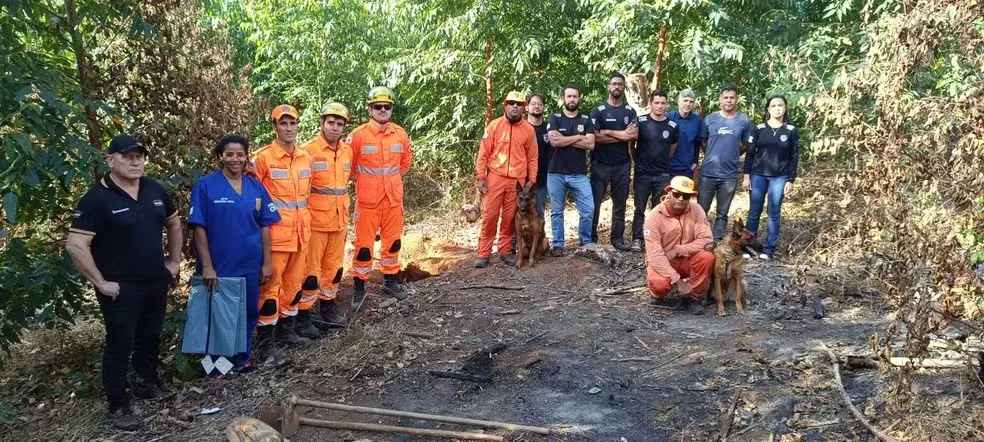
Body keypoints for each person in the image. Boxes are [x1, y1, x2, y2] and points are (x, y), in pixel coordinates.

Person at [65, 134, 182, 430]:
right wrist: (101, 282)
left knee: (151, 334)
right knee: (120, 342)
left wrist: (174, 260)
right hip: (119, 287)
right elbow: (76, 245)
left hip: (155, 279)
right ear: (110, 160)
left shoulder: (154, 189)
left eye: (139, 156)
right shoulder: (96, 199)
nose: (135, 161)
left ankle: (147, 381)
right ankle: (118, 405)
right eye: (128, 156)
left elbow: (174, 222)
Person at [189, 135, 281, 367]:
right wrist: (207, 266)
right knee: (221, 315)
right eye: (229, 154)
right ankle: (217, 367)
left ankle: (241, 360)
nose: (235, 159)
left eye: (240, 154)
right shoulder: (206, 185)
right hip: (220, 264)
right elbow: (198, 227)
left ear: (246, 157)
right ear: (220, 156)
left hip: (250, 264)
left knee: (248, 312)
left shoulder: (254, 186)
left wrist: (267, 262)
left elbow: (265, 225)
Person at [251, 105, 317, 348]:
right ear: (275, 126)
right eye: (283, 123)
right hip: (276, 236)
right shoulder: (262, 158)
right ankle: (266, 341)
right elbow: (253, 198)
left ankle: (287, 332)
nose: (289, 128)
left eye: (292, 123)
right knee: (270, 289)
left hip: (301, 234)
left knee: (293, 286)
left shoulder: (305, 158)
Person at [348, 86, 413, 311]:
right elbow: (349, 168)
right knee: (364, 247)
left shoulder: (400, 134)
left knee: (393, 243)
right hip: (368, 201)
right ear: (370, 109)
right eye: (378, 107)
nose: (382, 110)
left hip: (393, 199)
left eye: (387, 106)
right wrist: (367, 184)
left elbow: (404, 164)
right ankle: (358, 288)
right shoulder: (357, 136)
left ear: (392, 109)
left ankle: (390, 282)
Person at [299, 102, 352, 329]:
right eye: (331, 122)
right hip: (317, 222)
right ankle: (303, 315)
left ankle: (328, 307)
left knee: (334, 268)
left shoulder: (347, 151)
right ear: (322, 123)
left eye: (339, 124)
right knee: (311, 271)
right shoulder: (307, 152)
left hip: (340, 221)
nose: (334, 127)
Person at [474, 91, 538, 268]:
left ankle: (504, 251)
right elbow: (483, 153)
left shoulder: (529, 130)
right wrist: (481, 177)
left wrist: (531, 179)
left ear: (524, 107)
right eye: (511, 103)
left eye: (518, 103)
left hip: (517, 180)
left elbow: (532, 157)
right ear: (505, 105)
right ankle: (483, 253)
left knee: (510, 218)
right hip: (495, 177)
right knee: (490, 216)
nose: (515, 106)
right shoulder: (494, 126)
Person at [643, 176, 714, 315]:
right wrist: (679, 281)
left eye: (686, 195)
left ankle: (693, 298)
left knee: (707, 257)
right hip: (664, 260)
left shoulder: (697, 210)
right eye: (676, 194)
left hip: (688, 258)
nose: (681, 198)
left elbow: (707, 240)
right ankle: (657, 294)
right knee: (659, 287)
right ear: (668, 192)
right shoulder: (654, 217)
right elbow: (655, 256)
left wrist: (678, 250)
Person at [742, 94, 799, 259]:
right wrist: (747, 176)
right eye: (773, 106)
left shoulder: (790, 131)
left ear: (785, 108)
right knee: (754, 211)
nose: (777, 108)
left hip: (779, 177)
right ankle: (748, 248)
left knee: (773, 213)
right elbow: (750, 154)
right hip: (758, 175)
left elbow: (794, 156)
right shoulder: (759, 129)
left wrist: (791, 180)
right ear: (768, 109)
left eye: (780, 105)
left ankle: (768, 249)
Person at [589, 72, 638, 250]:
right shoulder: (598, 111)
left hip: (622, 165)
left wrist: (608, 131)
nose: (616, 87)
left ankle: (617, 239)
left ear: (624, 87)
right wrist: (621, 135)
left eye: (620, 84)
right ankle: (590, 238)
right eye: (613, 84)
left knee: (620, 203)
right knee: (594, 203)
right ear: (608, 86)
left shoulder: (630, 111)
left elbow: (632, 134)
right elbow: (594, 137)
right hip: (599, 164)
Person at [697, 84, 752, 240]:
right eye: (725, 97)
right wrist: (713, 154)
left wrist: (733, 154)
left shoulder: (744, 120)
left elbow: (746, 144)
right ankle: (701, 238)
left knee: (723, 212)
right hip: (708, 172)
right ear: (720, 99)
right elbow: (703, 142)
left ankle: (717, 239)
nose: (729, 101)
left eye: (732, 98)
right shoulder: (710, 119)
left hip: (729, 174)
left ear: (736, 99)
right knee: (701, 209)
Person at [546, 84, 595, 255]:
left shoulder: (586, 120)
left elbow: (591, 143)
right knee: (557, 212)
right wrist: (578, 137)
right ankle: (558, 245)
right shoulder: (555, 118)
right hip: (556, 173)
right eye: (569, 96)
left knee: (588, 209)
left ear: (579, 98)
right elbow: (554, 142)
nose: (572, 99)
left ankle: (585, 242)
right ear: (563, 99)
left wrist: (564, 138)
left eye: (575, 96)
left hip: (579, 174)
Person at [631, 89, 679, 252]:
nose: (659, 106)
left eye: (662, 103)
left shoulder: (672, 126)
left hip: (662, 174)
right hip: (642, 174)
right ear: (651, 103)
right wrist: (636, 160)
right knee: (639, 208)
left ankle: (654, 239)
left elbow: (672, 149)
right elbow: (631, 144)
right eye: (656, 103)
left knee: (659, 209)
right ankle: (637, 238)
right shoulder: (641, 121)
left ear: (666, 104)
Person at [667, 89, 702, 179]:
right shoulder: (668, 117)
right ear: (679, 102)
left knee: (686, 193)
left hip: (687, 169)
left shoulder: (697, 121)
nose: (688, 104)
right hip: (668, 168)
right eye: (685, 100)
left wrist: (695, 164)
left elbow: (697, 144)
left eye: (691, 102)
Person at [527, 93, 551, 217]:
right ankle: (515, 237)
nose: (537, 106)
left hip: (542, 178)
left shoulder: (549, 128)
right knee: (517, 212)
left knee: (539, 212)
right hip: (521, 179)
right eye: (533, 104)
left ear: (544, 107)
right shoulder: (521, 127)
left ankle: (540, 236)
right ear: (527, 107)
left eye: (540, 104)